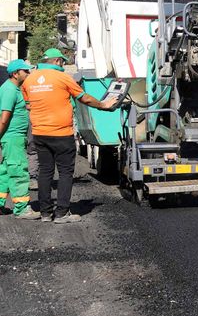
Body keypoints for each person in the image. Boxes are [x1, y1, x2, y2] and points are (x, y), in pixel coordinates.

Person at [21, 48, 118, 224]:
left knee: (45, 172)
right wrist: (103, 105)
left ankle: (45, 213)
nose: (63, 65)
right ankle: (62, 213)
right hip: (61, 133)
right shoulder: (63, 78)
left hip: (39, 133)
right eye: (63, 62)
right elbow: (84, 98)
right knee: (65, 172)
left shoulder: (29, 79)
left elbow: (28, 105)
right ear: (57, 61)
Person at [0, 60, 37, 219]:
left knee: (5, 172)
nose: (28, 74)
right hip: (13, 138)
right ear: (16, 74)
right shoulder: (9, 89)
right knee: (19, 171)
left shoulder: (13, 88)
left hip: (13, 138)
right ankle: (22, 209)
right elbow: (4, 117)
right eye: (26, 71)